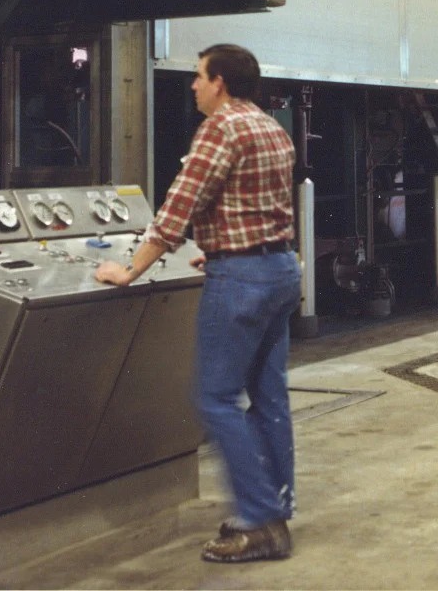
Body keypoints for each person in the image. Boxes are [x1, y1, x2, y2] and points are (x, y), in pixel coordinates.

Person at [96, 43, 301, 564]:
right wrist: (224, 247)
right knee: (269, 397)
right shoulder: (271, 127)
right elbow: (260, 205)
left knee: (215, 399)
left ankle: (258, 520)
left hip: (243, 278)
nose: (192, 85)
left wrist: (130, 270)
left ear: (220, 83)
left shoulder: (220, 128)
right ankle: (276, 508)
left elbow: (177, 211)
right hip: (278, 269)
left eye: (198, 76)